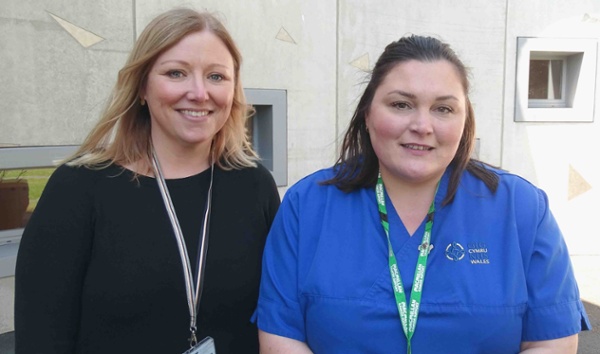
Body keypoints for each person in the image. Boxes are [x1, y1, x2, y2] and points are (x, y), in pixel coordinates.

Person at [253, 35, 591, 353]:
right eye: (401, 104)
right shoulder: (308, 205)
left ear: (464, 120)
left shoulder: (522, 209)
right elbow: (280, 337)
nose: (422, 126)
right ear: (368, 114)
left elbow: (553, 343)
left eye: (443, 109)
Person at [14, 8, 280, 354]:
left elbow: (280, 315)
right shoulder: (78, 189)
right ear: (142, 86)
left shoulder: (254, 184)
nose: (199, 93)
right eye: (176, 73)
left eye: (216, 77)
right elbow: (42, 338)